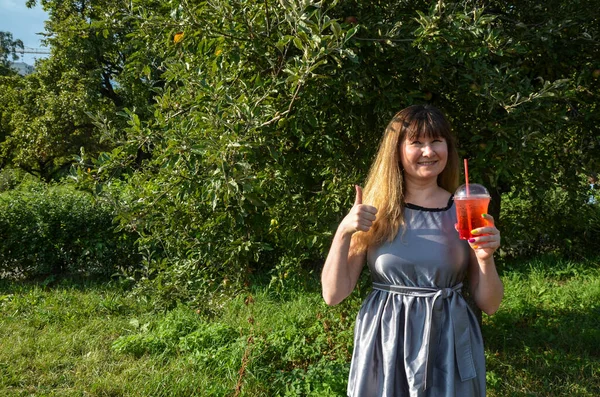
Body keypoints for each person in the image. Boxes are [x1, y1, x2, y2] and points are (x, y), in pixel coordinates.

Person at [321, 105, 503, 397]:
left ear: (448, 147)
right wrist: (344, 232)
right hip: (386, 343)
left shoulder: (465, 210)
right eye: (416, 143)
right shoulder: (373, 211)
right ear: (397, 150)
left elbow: (490, 304)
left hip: (448, 345)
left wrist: (485, 258)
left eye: (436, 141)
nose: (428, 152)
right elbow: (333, 295)